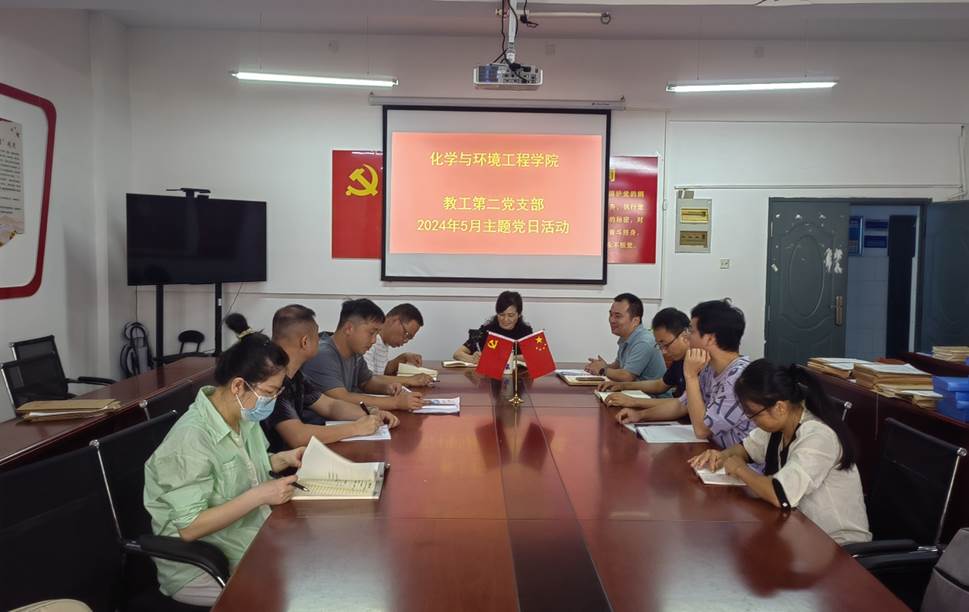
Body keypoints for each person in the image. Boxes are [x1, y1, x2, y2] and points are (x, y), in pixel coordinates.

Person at [143, 316, 306, 606]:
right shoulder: (191, 438)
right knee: (293, 596)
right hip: (201, 565)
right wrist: (260, 495)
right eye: (269, 392)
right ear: (238, 386)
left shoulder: (242, 416)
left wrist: (279, 459)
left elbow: (240, 467)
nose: (272, 400)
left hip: (248, 538)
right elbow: (190, 527)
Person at [689, 360, 872, 545]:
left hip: (838, 546)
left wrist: (739, 469)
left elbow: (780, 495)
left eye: (754, 415)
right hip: (801, 533)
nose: (752, 421)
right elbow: (746, 449)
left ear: (780, 407)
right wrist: (721, 456)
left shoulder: (818, 436)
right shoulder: (780, 426)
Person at [614, 299, 754, 450]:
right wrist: (640, 416)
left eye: (691, 331)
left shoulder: (738, 378)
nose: (687, 337)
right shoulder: (710, 368)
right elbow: (681, 405)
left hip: (735, 460)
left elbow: (702, 430)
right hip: (712, 452)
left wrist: (691, 376)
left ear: (709, 339)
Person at [263, 305, 399, 450]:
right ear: (305, 342)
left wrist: (370, 412)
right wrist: (356, 428)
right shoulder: (271, 380)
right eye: (317, 336)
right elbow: (297, 436)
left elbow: (330, 406)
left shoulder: (296, 375)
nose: (321, 339)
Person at [303, 298, 427, 411]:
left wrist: (386, 388)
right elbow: (341, 398)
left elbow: (367, 381)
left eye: (377, 334)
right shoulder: (323, 355)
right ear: (349, 328)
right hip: (321, 424)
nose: (374, 340)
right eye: (371, 333)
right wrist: (396, 403)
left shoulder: (355, 353)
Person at [599, 307, 691, 405]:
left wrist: (633, 401)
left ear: (684, 335)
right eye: (659, 345)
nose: (663, 351)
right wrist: (622, 386)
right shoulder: (679, 360)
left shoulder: (697, 362)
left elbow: (684, 404)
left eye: (666, 344)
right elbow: (660, 385)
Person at [585, 293, 666, 383]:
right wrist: (601, 366)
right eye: (611, 315)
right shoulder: (626, 337)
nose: (611, 320)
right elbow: (618, 366)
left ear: (635, 321)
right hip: (634, 390)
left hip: (649, 392)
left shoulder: (644, 342)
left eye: (617, 316)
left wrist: (603, 370)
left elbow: (627, 376)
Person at [453, 291, 534, 364]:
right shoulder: (487, 330)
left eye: (511, 315)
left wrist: (507, 358)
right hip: (489, 375)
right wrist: (472, 359)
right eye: (501, 314)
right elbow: (457, 354)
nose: (505, 319)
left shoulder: (525, 331)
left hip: (517, 375)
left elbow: (532, 356)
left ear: (519, 314)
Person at [362, 303, 424, 375]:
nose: (406, 341)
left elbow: (381, 371)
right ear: (394, 320)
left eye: (410, 338)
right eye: (406, 334)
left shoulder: (383, 342)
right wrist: (412, 379)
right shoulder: (370, 340)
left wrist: (404, 357)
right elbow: (369, 379)